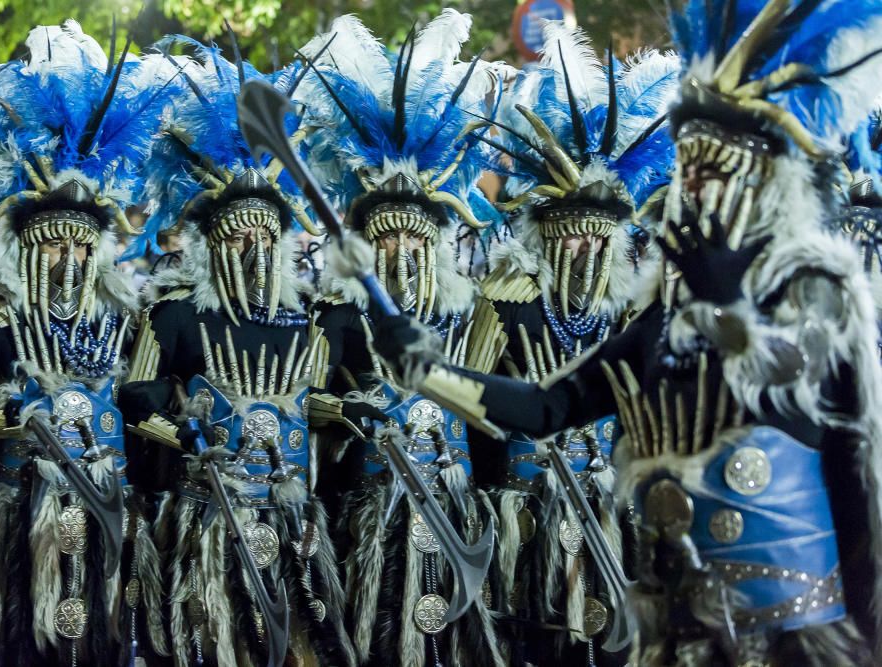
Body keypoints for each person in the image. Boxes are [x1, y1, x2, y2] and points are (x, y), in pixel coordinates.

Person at [373, 1, 882, 664]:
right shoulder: (660, 316)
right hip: (678, 628)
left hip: (796, 631)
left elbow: (801, 392)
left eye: (713, 167)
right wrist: (427, 369)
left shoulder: (817, 289)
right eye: (688, 166)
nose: (692, 184)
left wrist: (726, 303)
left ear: (764, 179)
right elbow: (547, 407)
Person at [117, 39, 356, 667]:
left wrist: (352, 411)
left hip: (295, 519)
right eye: (238, 232)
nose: (253, 246)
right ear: (212, 240)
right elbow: (133, 399)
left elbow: (320, 406)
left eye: (265, 233)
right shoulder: (172, 313)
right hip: (207, 519)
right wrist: (187, 437)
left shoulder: (311, 318)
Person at [0, 21, 175, 665]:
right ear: (27, 244)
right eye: (53, 240)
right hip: (18, 511)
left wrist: (176, 431)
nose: (67, 254)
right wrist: (17, 412)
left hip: (108, 504)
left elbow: (142, 401)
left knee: (103, 639)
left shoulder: (129, 315)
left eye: (79, 241)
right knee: (21, 642)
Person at [294, 11, 510, 666]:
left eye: (413, 235)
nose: (400, 246)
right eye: (386, 235)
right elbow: (301, 406)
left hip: (455, 510)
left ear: (434, 240)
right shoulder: (333, 315)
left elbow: (489, 416)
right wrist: (342, 410)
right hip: (362, 511)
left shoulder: (469, 315)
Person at [475, 22, 677, 665]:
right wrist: (483, 501)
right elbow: (474, 409)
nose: (584, 249)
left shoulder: (629, 311)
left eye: (598, 236)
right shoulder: (505, 296)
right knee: (533, 637)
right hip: (521, 512)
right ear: (546, 235)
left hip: (609, 509)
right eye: (571, 234)